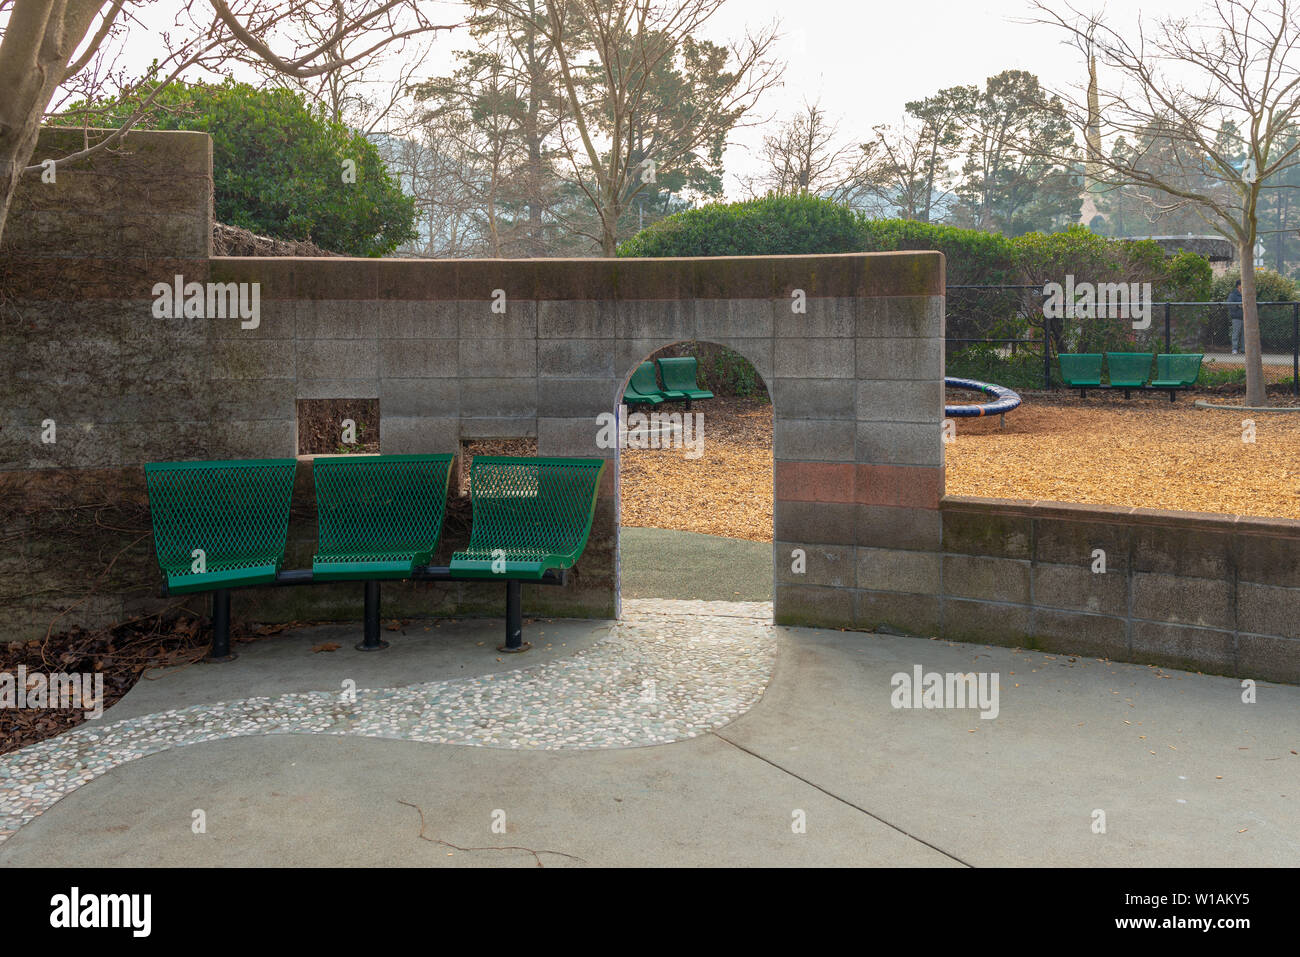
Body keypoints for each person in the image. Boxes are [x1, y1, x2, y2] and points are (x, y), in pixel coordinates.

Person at [1228, 278, 1244, 355]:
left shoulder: (1245, 294)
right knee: (1236, 334)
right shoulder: (1233, 295)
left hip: (1245, 318)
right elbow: (1230, 305)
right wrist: (1239, 305)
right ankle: (1234, 349)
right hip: (1236, 317)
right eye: (1242, 284)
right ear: (1238, 286)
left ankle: (1243, 349)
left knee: (1245, 335)